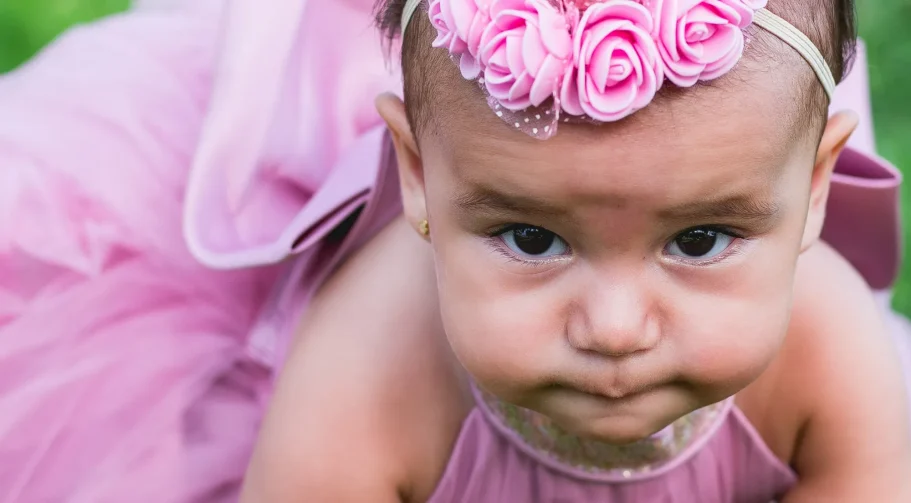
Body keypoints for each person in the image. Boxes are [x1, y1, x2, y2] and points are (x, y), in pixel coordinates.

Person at [0, 0, 909, 502]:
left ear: (817, 184)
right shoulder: (374, 360)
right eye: (530, 237)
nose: (614, 326)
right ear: (418, 176)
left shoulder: (828, 343)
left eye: (700, 239)